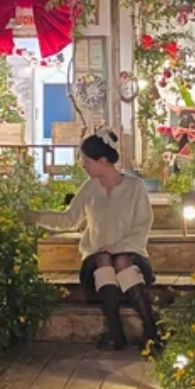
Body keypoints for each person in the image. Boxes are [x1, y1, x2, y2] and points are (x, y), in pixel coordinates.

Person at [37, 130, 159, 350]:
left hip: (133, 259)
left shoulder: (134, 187)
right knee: (103, 258)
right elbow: (68, 219)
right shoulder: (89, 188)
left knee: (121, 260)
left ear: (102, 161)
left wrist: (119, 248)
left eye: (86, 161)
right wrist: (35, 217)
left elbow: (143, 225)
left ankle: (151, 330)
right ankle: (115, 331)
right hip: (96, 265)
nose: (83, 165)